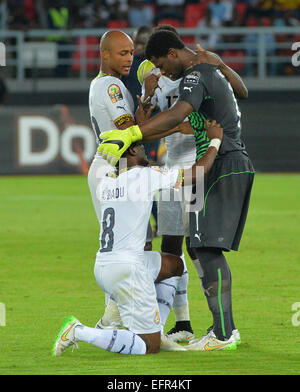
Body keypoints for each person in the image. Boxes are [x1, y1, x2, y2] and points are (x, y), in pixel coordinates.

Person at [98, 29, 255, 351]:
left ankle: (224, 333)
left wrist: (130, 136)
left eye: (160, 63)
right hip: (202, 164)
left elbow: (179, 114)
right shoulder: (196, 70)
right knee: (194, 247)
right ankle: (200, 326)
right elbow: (183, 116)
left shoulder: (195, 74)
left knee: (205, 249)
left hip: (212, 164)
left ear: (172, 54)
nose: (161, 71)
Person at [53, 120, 226, 356]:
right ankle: (78, 331)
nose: (148, 150)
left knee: (175, 265)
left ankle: (157, 330)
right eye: (143, 146)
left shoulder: (105, 181)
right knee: (148, 346)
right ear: (133, 150)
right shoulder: (144, 176)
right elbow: (196, 174)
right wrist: (214, 141)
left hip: (106, 264)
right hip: (127, 269)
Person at [88, 29, 154, 332]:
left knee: (130, 246)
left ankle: (116, 318)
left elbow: (134, 127)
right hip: (116, 170)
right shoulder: (111, 86)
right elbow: (130, 131)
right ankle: (112, 321)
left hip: (116, 170)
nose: (129, 58)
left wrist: (145, 106)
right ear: (105, 54)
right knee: (128, 248)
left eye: (131, 52)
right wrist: (174, 124)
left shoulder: (107, 84)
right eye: (122, 53)